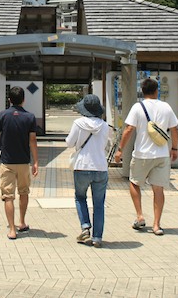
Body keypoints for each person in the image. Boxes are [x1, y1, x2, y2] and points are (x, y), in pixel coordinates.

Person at [114, 77, 178, 236]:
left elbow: (129, 129)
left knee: (134, 182)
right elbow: (174, 129)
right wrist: (175, 148)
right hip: (162, 154)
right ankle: (157, 225)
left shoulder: (138, 107)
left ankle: (140, 216)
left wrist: (120, 149)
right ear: (157, 91)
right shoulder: (166, 107)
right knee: (158, 189)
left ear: (142, 91)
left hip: (142, 154)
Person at [0, 86, 39, 240]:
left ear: (9, 100)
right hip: (24, 161)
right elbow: (32, 140)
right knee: (24, 192)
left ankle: (12, 229)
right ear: (23, 99)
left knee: (8, 196)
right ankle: (22, 222)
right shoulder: (30, 117)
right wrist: (36, 161)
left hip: (7, 161)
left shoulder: (2, 115)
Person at [65, 94, 110, 248]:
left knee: (80, 197)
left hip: (82, 166)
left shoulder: (78, 123)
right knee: (99, 203)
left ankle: (85, 226)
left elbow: (69, 143)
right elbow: (105, 144)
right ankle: (97, 237)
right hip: (100, 167)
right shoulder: (104, 126)